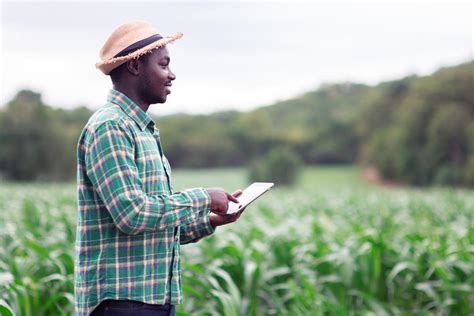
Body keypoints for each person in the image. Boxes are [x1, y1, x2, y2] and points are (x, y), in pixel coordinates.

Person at [75, 21, 245, 316]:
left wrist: (213, 219)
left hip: (151, 300)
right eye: (164, 64)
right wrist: (203, 197)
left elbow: (156, 228)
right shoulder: (111, 127)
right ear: (135, 67)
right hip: (121, 304)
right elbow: (132, 214)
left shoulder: (143, 130)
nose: (172, 74)